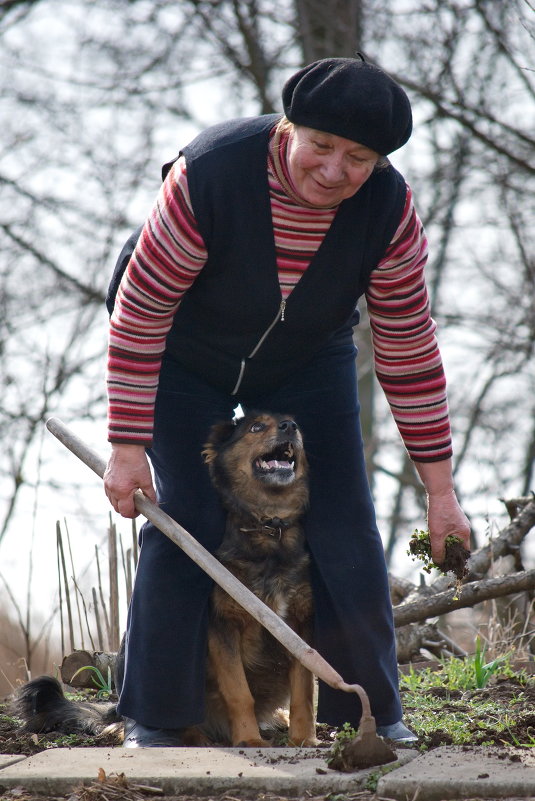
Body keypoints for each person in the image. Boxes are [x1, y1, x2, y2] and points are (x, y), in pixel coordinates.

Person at [104, 56, 471, 748]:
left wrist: (440, 490)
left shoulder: (388, 213)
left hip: (305, 354)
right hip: (181, 349)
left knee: (342, 515)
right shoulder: (210, 174)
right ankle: (157, 716)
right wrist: (126, 445)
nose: (335, 170)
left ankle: (371, 713)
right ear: (288, 129)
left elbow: (407, 347)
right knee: (189, 508)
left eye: (359, 158)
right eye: (321, 146)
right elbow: (143, 310)